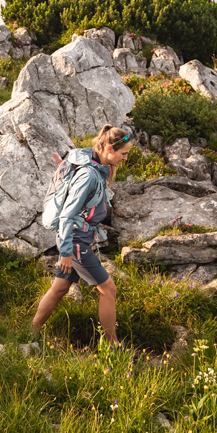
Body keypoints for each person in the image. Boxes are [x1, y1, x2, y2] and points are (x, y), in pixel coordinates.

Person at [31, 125, 132, 346]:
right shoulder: (88, 175)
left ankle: (30, 334)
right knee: (108, 289)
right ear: (108, 149)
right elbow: (67, 215)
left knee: (60, 288)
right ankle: (113, 347)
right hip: (75, 243)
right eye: (123, 153)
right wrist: (66, 252)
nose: (125, 158)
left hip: (77, 239)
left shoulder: (97, 167)